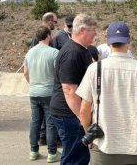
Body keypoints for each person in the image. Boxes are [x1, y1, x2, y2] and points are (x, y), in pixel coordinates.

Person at [77, 21, 137, 165]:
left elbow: (84, 110)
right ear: (129, 40)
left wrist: (89, 134)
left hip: (103, 147)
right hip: (133, 148)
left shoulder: (95, 69)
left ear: (107, 41)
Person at [49, 14, 97, 165]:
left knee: (78, 156)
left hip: (71, 113)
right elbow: (69, 90)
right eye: (93, 30)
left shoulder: (81, 50)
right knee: (75, 158)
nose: (95, 34)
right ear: (82, 30)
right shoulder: (72, 53)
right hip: (69, 114)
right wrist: (83, 119)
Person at [24, 26, 61, 162]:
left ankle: (34, 151)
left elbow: (25, 73)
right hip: (49, 92)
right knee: (50, 123)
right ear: (48, 36)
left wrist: (33, 83)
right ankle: (52, 153)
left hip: (34, 92)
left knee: (35, 122)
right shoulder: (54, 52)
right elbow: (58, 73)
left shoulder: (30, 52)